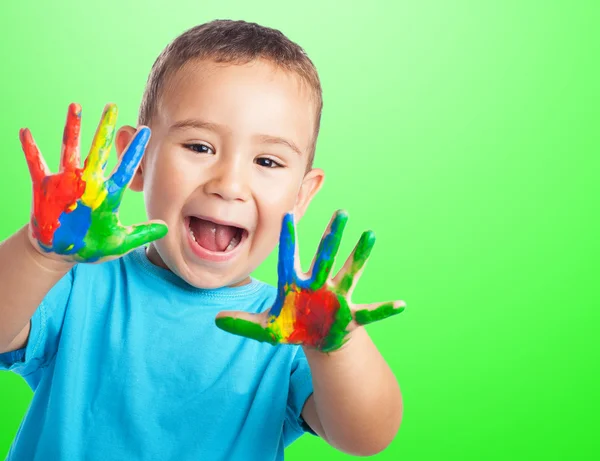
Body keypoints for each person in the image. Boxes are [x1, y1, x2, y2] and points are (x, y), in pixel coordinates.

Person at [0, 19, 404, 460]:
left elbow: (366, 438)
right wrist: (40, 253)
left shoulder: (286, 331)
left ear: (301, 195)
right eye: (199, 147)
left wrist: (337, 346)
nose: (228, 183)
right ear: (137, 161)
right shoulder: (79, 286)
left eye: (267, 161)